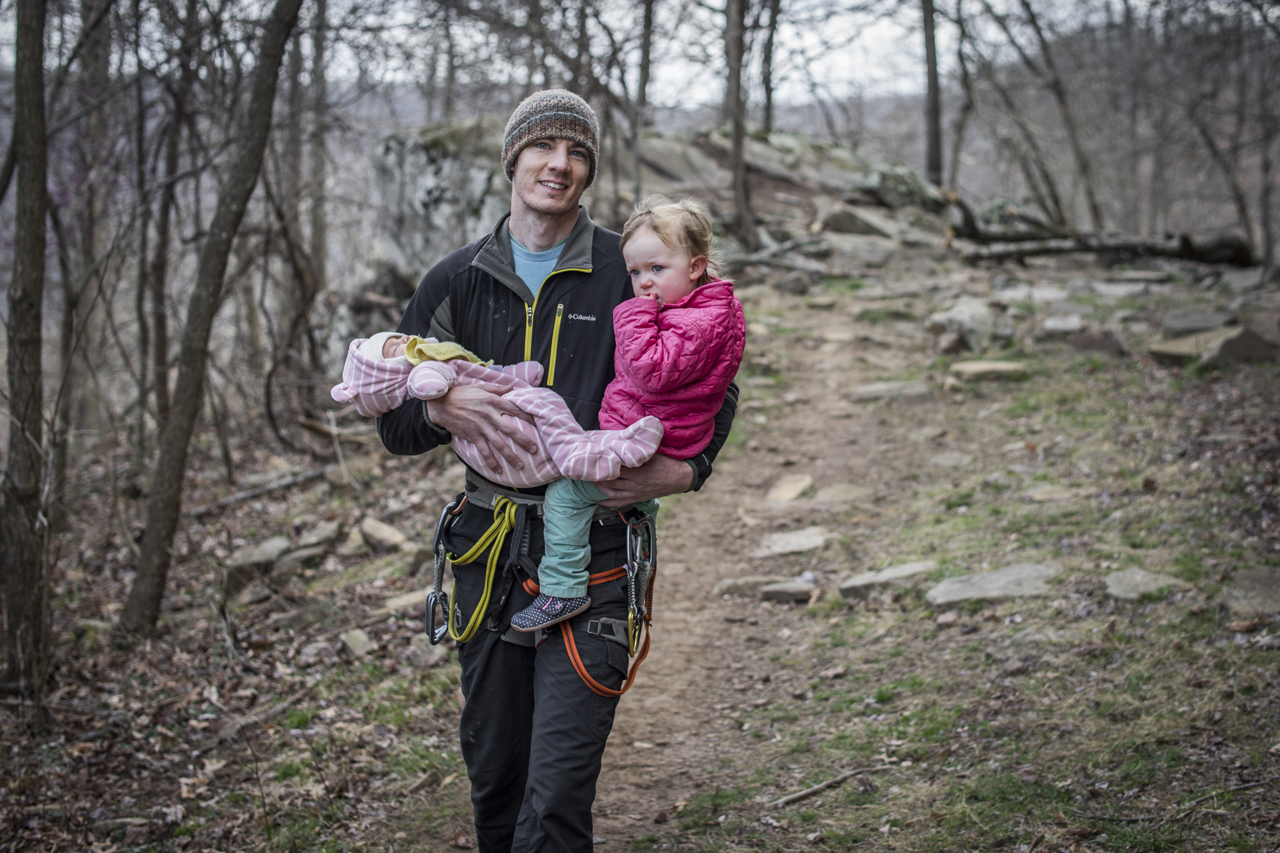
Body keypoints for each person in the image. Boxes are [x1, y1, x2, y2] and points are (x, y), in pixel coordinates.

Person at [374, 89, 738, 853]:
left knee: (558, 793)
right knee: (496, 779)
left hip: (600, 554)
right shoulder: (457, 279)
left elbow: (715, 385)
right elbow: (395, 424)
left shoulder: (627, 266)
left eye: (576, 152)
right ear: (513, 158)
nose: (559, 164)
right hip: (488, 555)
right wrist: (446, 410)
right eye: (543, 147)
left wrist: (684, 471)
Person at [508, 197, 744, 632]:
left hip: (653, 433)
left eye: (657, 269)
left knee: (564, 493)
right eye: (635, 273)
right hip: (665, 427)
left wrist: (634, 316)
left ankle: (561, 588)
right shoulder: (714, 309)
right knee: (624, 496)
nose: (644, 284)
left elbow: (649, 371)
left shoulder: (689, 321)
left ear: (695, 267)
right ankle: (642, 537)